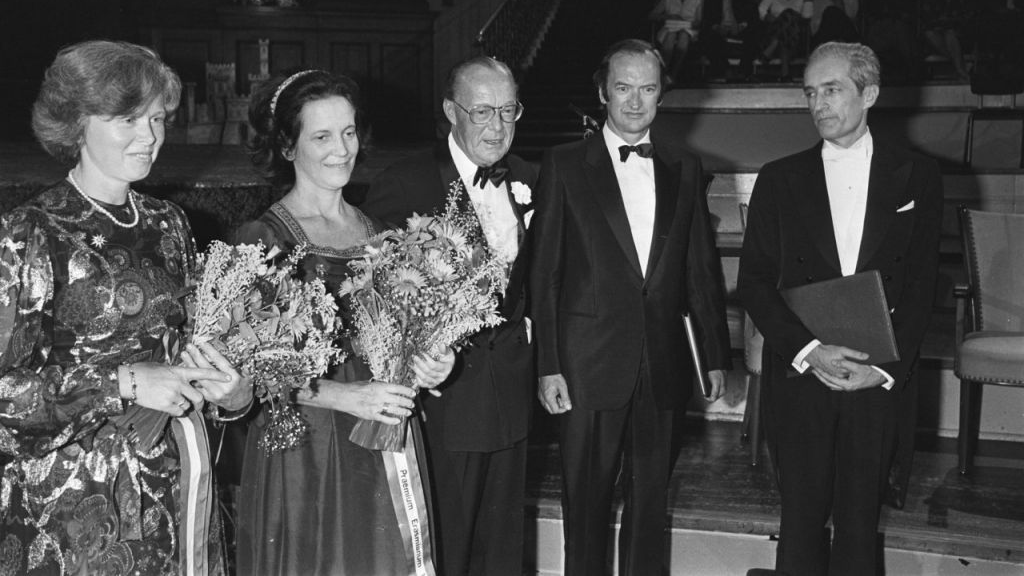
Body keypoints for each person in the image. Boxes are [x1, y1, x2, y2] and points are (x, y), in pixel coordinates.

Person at [0, 40, 253, 574]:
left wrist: (230, 390)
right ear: (76, 123)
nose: (150, 138)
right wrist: (123, 381)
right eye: (127, 120)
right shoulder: (32, 233)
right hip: (72, 510)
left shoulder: (170, 224)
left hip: (174, 491)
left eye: (157, 119)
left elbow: (190, 353)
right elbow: (6, 394)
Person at [233, 69, 455, 575]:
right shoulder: (265, 238)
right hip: (308, 446)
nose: (342, 149)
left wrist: (432, 362)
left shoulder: (376, 229)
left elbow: (402, 333)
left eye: (349, 132)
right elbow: (250, 370)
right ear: (287, 147)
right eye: (322, 136)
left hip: (382, 429)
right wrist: (346, 396)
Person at [738, 42, 943, 575]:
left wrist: (883, 369)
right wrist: (808, 350)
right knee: (801, 521)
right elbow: (755, 282)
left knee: (859, 523)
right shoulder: (779, 178)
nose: (818, 104)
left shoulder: (917, 176)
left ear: (869, 93)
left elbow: (922, 285)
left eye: (832, 90)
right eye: (811, 92)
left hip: (876, 378)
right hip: (804, 371)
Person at [530, 39, 731, 576]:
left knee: (649, 510)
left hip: (662, 366)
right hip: (586, 365)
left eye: (647, 88)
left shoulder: (686, 166)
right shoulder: (565, 163)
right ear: (603, 92)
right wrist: (549, 362)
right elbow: (544, 274)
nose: (635, 101)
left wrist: (713, 354)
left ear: (662, 95)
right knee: (586, 509)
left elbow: (700, 271)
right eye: (624, 87)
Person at [362, 56, 536, 576]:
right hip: (445, 401)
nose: (497, 126)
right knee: (447, 547)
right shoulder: (406, 180)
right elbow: (378, 295)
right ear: (450, 111)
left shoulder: (530, 178)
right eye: (482, 111)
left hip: (513, 393)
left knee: (504, 548)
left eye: (508, 110)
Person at [702, 0, 760, 80]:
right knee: (707, 36)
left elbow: (753, 17)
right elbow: (707, 20)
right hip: (720, 30)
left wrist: (741, 26)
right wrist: (717, 27)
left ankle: (744, 71)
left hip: (740, 29)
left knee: (754, 34)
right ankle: (725, 70)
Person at [758, 0, 814, 78]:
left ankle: (773, 46)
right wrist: (772, 18)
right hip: (772, 28)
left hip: (794, 36)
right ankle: (785, 72)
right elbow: (761, 9)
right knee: (787, 18)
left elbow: (807, 17)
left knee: (789, 18)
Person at [649, 0, 704, 83]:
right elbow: (653, 15)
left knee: (684, 36)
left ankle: (673, 74)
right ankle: (663, 73)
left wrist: (691, 23)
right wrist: (669, 16)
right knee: (671, 35)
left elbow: (699, 21)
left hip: (689, 29)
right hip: (670, 27)